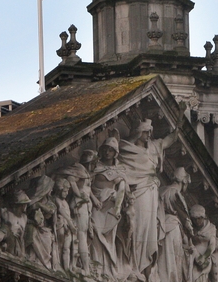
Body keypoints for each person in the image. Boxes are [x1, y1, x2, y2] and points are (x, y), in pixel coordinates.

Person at [117, 115, 177, 280]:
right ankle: (134, 263)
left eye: (150, 132)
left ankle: (144, 266)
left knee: (149, 231)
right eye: (146, 132)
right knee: (137, 227)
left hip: (151, 193)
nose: (149, 135)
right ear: (138, 132)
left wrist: (179, 118)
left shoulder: (154, 147)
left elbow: (170, 140)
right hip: (138, 193)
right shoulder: (126, 149)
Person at [56, 149, 98, 274]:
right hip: (80, 207)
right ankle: (85, 269)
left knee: (83, 235)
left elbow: (88, 190)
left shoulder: (84, 172)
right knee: (81, 235)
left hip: (85, 207)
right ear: (90, 163)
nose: (95, 166)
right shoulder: (79, 171)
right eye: (95, 163)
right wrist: (79, 195)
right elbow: (70, 179)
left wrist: (94, 200)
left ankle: (81, 265)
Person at [90, 137, 126, 278]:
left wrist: (117, 208)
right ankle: (96, 264)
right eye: (105, 149)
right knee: (95, 232)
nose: (107, 152)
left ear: (115, 152)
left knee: (109, 238)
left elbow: (122, 188)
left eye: (111, 150)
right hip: (96, 205)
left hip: (110, 208)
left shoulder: (118, 170)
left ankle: (108, 269)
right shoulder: (95, 166)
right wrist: (93, 199)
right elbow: (86, 184)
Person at [158, 167, 193, 282]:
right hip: (172, 228)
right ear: (184, 181)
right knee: (171, 260)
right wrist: (189, 227)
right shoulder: (174, 192)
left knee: (168, 258)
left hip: (165, 226)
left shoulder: (163, 190)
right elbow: (182, 215)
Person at [0, 190, 31, 258]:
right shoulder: (7, 213)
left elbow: (22, 238)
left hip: (17, 246)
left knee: (6, 229)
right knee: (6, 229)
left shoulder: (24, 218)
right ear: (21, 205)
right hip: (8, 241)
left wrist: (22, 253)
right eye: (25, 204)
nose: (26, 206)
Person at [188, 205, 218, 282]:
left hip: (203, 259)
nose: (197, 221)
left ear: (203, 217)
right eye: (195, 219)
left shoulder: (210, 228)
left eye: (199, 218)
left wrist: (204, 256)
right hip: (192, 254)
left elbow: (212, 245)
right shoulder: (190, 225)